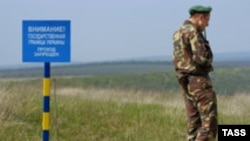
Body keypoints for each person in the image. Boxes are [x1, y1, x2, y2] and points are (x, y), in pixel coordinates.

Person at [172, 5, 218, 141]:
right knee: (209, 124)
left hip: (184, 81)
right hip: (198, 82)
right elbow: (201, 58)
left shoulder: (178, 32)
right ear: (200, 18)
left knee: (194, 123)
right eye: (207, 20)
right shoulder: (193, 32)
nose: (207, 24)